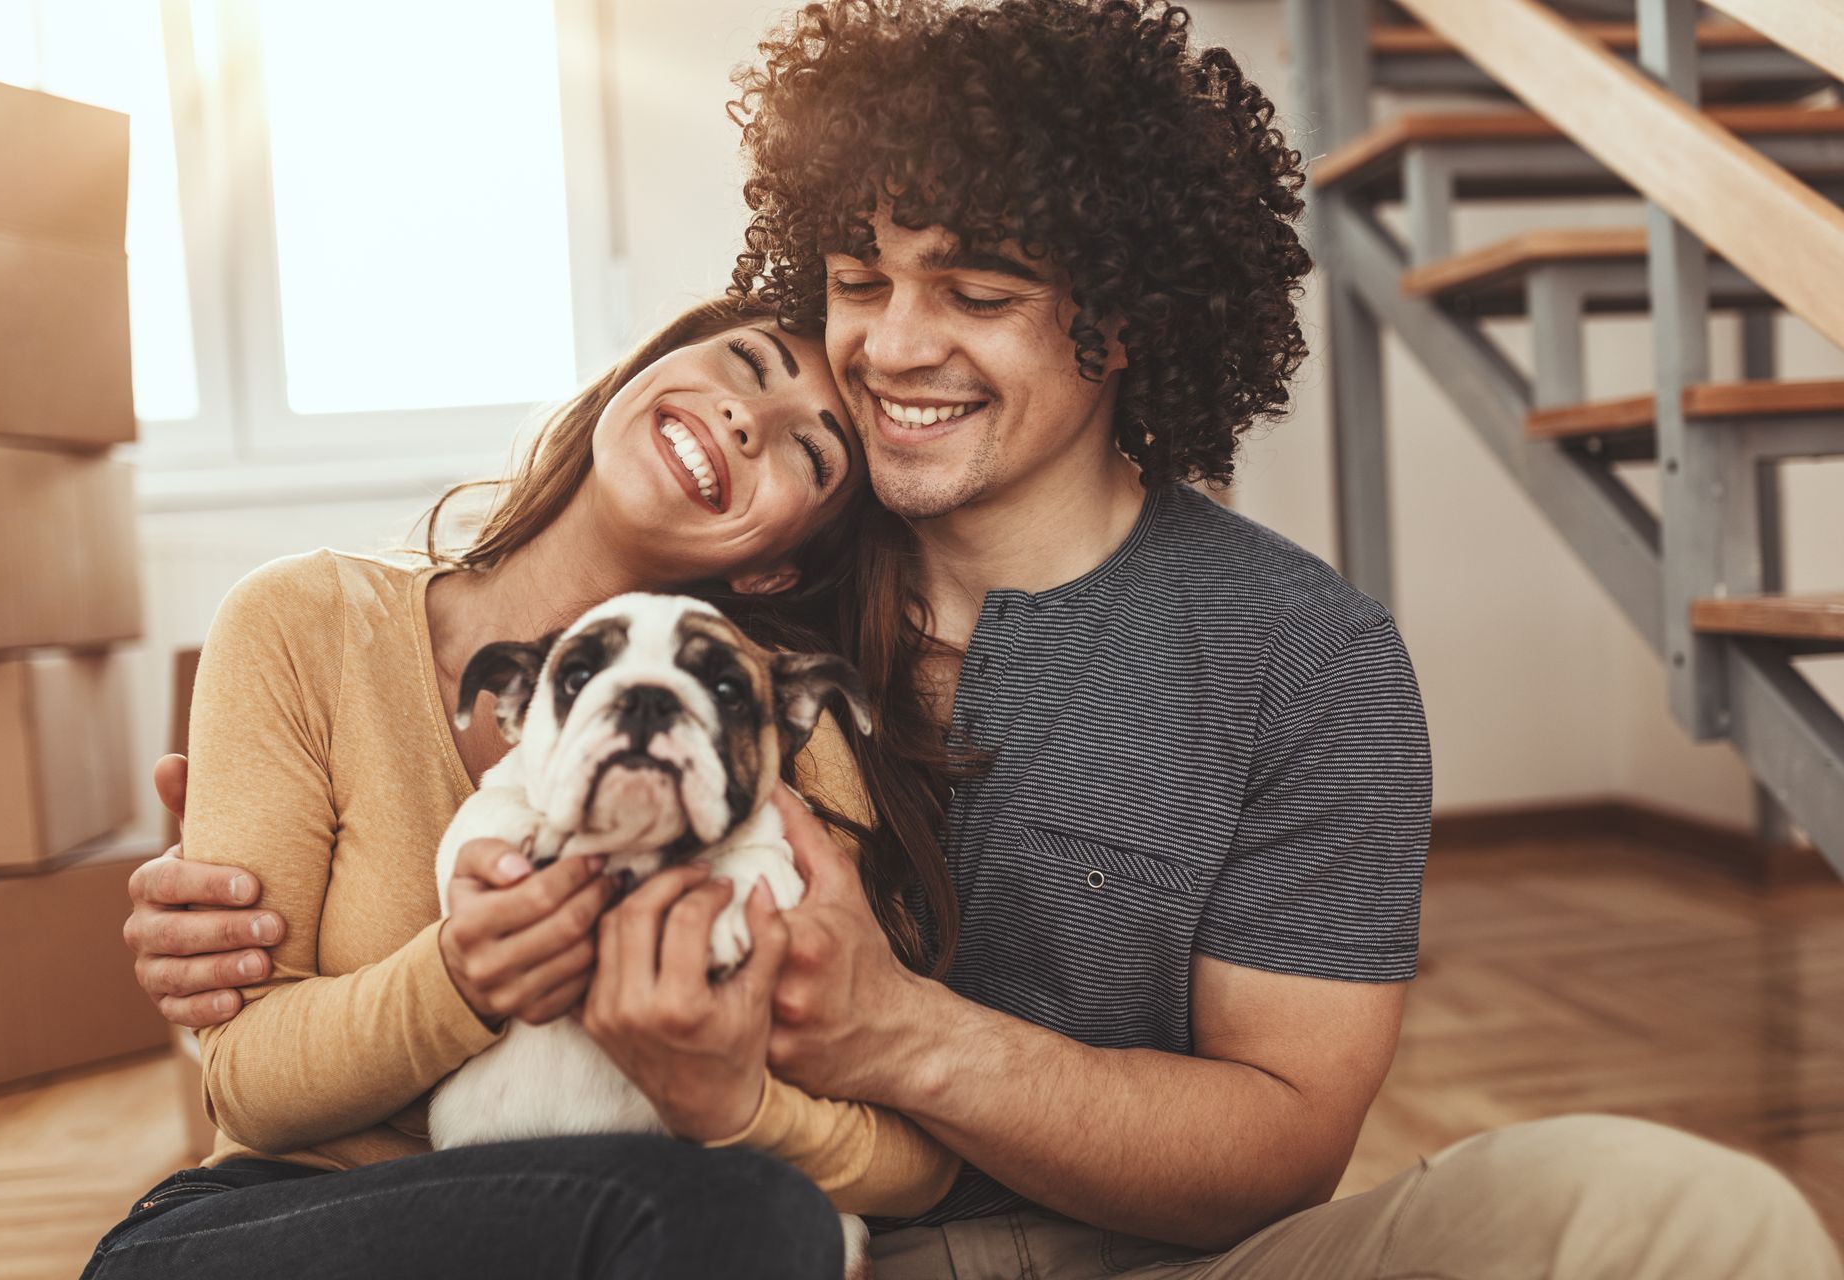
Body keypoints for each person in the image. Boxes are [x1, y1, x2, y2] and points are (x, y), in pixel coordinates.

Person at [129, 1, 1844, 1277]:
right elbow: (451, 738)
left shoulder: (1295, 658)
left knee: (1687, 1217)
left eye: (980, 290)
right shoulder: (735, 597)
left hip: (1118, 1256)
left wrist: (896, 1035)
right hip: (737, 1238)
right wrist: (220, 899)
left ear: (1127, 321)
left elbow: (1279, 1150)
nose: (885, 347)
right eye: (857, 277)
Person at [88, 297, 963, 1280]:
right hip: (291, 1214)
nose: (743, 421)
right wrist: (459, 980)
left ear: (779, 567)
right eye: (742, 367)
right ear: (642, 371)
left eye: (810, 452)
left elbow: (913, 1157)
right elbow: (247, 1085)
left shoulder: (777, 741)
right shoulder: (302, 620)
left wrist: (737, 1106)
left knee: (758, 1219)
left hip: (651, 1217)